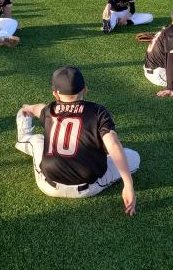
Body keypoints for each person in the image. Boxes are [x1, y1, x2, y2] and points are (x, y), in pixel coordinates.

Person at [16, 66, 139, 215]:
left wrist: (27, 107)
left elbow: (38, 109)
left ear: (55, 94)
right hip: (87, 187)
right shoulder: (98, 111)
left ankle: (23, 136)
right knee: (133, 157)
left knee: (37, 141)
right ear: (85, 89)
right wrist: (128, 185)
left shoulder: (50, 110)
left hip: (49, 185)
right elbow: (112, 143)